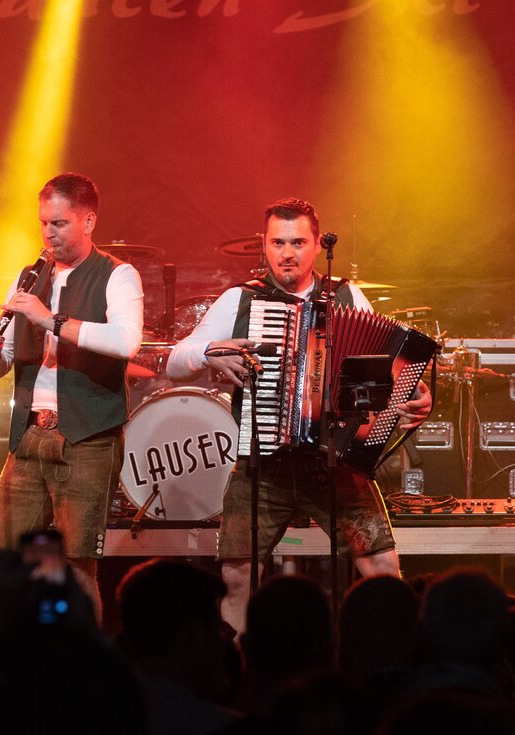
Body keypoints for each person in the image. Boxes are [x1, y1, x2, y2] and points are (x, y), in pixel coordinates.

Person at [167, 197, 431, 633]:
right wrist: (211, 353)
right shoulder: (240, 300)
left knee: (382, 567)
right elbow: (176, 361)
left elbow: (383, 369)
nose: (287, 253)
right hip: (262, 463)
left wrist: (415, 393)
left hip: (334, 463)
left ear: (315, 245)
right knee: (237, 577)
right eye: (277, 242)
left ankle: (388, 666)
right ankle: (237, 678)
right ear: (264, 247)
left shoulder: (346, 296)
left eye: (298, 242)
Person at [0, 172, 144, 603]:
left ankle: (82, 660)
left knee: (76, 564)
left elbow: (127, 341)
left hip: (88, 437)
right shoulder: (30, 276)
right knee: (3, 553)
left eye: (60, 223)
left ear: (88, 222)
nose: (49, 233)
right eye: (44, 224)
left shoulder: (118, 275)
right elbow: (1, 366)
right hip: (31, 433)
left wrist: (49, 319)